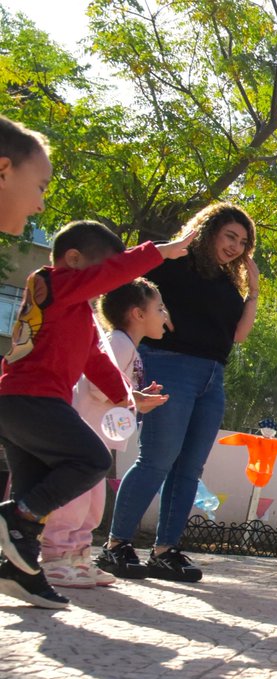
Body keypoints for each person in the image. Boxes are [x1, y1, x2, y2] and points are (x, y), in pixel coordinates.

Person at [0, 220, 193, 609]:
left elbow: (97, 363)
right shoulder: (53, 283)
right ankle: (13, 520)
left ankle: (20, 571)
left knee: (33, 488)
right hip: (30, 399)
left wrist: (128, 398)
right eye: (108, 269)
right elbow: (113, 273)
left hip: (23, 404)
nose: (111, 281)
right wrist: (160, 251)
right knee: (90, 460)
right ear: (73, 260)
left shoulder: (80, 314)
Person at [100, 202, 258, 583]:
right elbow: (125, 283)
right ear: (208, 232)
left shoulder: (226, 283)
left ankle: (165, 551)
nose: (235, 246)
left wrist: (253, 292)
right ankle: (116, 545)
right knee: (157, 459)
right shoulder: (171, 262)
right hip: (170, 365)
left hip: (212, 377)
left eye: (243, 242)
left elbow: (237, 334)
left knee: (190, 469)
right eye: (229, 236)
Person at [40, 278, 171, 588]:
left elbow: (113, 388)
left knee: (92, 505)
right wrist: (134, 397)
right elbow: (99, 385)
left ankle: (79, 558)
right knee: (74, 502)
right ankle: (55, 558)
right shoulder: (119, 343)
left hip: (95, 446)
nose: (166, 315)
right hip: (82, 442)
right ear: (138, 314)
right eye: (160, 308)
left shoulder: (126, 346)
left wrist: (136, 395)